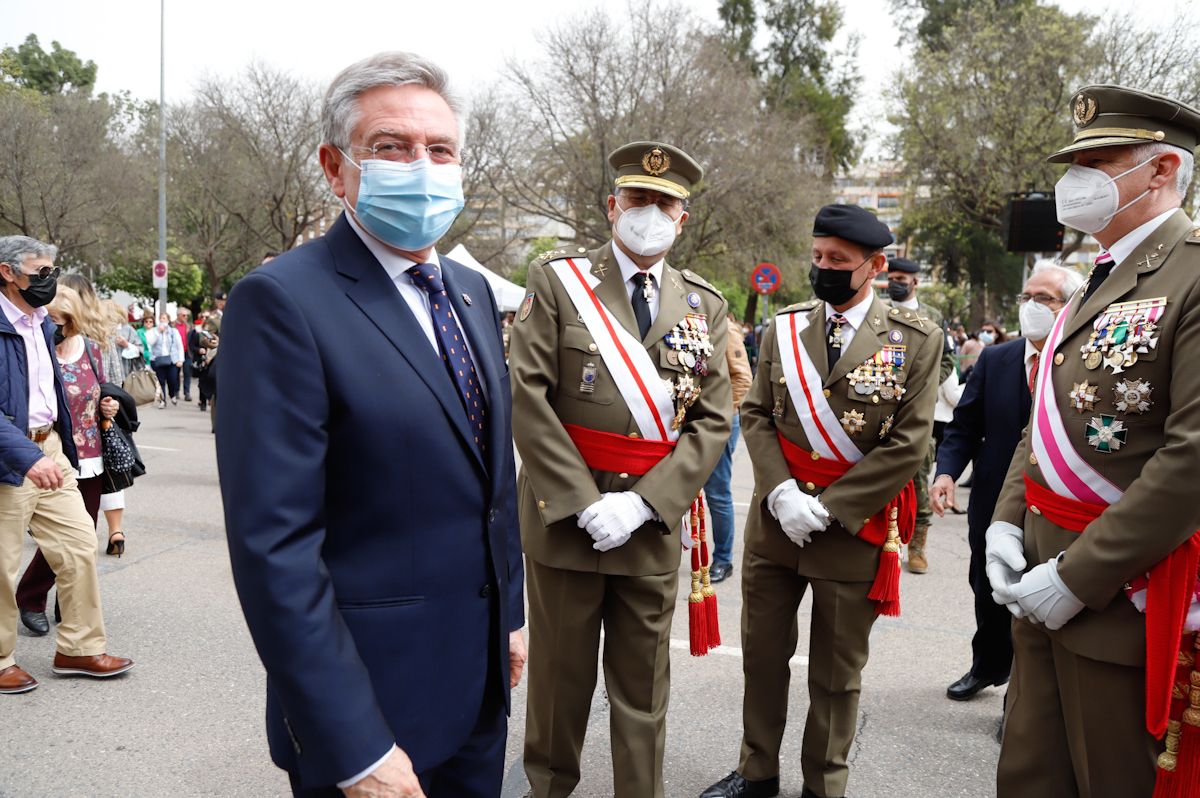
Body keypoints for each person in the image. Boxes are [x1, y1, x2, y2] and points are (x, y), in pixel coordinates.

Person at [216, 51, 524, 798]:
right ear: (335, 166)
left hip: (476, 686)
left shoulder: (470, 293)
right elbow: (276, 550)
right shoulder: (282, 303)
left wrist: (508, 613)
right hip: (370, 713)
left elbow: (490, 482)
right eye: (392, 147)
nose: (422, 166)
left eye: (440, 149)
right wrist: (353, 747)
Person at [986, 84, 1200, 797]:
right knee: (1027, 780)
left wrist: (1078, 577)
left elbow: (1190, 457)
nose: (1074, 183)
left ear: (1163, 169)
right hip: (1040, 590)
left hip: (1120, 604)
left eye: (1099, 161)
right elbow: (1043, 422)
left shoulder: (1192, 273)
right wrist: (1006, 523)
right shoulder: (1093, 282)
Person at [510, 141, 731, 798]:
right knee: (558, 688)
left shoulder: (704, 305)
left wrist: (642, 504)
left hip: (651, 526)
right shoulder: (558, 282)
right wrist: (581, 501)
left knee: (643, 693)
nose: (650, 212)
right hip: (564, 521)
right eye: (638, 198)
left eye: (665, 203)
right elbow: (529, 395)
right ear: (613, 206)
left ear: (683, 219)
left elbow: (713, 420)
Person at [700, 204, 941, 798]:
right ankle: (756, 771)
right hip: (776, 521)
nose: (824, 269)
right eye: (817, 257)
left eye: (839, 260)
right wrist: (781, 491)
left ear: (875, 265)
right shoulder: (785, 327)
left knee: (836, 673)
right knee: (761, 659)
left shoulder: (916, 339)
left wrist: (831, 507)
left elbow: (909, 444)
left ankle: (823, 783)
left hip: (851, 529)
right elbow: (755, 412)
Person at [930, 264, 1083, 705]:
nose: (1032, 307)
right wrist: (945, 473)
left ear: (1069, 305)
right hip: (993, 498)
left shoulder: (1080, 360)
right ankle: (988, 665)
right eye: (1026, 297)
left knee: (1042, 594)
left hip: (1056, 503)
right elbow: (964, 426)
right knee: (988, 585)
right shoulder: (996, 360)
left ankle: (1027, 695)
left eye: (1045, 299)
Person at [0, 236, 133, 694]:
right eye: (40, 273)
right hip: (11, 455)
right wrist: (27, 456)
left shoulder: (41, 322)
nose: (49, 282)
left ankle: (77, 648)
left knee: (78, 543)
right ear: (7, 272)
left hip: (49, 448)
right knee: (2, 564)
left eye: (52, 272)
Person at [16, 284, 125, 634]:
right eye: (50, 320)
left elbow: (104, 388)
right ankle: (31, 597)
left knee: (81, 536)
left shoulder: (91, 349)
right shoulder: (39, 351)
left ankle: (70, 606)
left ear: (74, 320)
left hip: (91, 452)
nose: (54, 328)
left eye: (61, 321)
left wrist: (109, 405)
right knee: (54, 536)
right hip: (52, 452)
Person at [884, 256, 950, 574]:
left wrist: (925, 386)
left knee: (920, 476)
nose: (895, 282)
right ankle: (885, 542)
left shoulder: (934, 316)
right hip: (882, 406)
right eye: (891, 277)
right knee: (882, 476)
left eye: (901, 277)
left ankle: (918, 547)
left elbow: (948, 359)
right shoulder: (879, 311)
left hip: (919, 411)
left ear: (915, 281)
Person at [706, 312, 754, 582]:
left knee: (717, 492)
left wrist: (720, 415)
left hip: (719, 419)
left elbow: (742, 378)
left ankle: (723, 559)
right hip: (688, 419)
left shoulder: (724, 325)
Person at [146, 312, 184, 408]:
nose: (163, 320)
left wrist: (181, 359)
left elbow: (179, 345)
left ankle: (172, 395)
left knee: (172, 379)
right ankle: (162, 400)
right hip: (158, 359)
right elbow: (150, 342)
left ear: (168, 320)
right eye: (161, 318)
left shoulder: (174, 331)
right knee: (161, 381)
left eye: (165, 318)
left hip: (172, 359)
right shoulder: (154, 331)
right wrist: (158, 332)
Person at [173, 307, 192, 402]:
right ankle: (176, 391)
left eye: (187, 315)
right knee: (176, 373)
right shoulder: (172, 325)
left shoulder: (189, 326)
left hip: (187, 352)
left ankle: (187, 392)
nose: (186, 317)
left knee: (187, 373)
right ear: (178, 315)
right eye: (184, 315)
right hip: (176, 353)